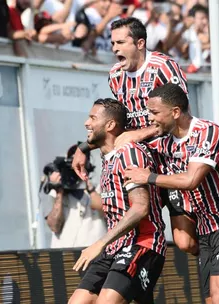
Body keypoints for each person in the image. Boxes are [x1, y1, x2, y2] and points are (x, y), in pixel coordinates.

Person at [72, 17, 199, 261]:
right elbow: (115, 122)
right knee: (133, 237)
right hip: (137, 163)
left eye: (121, 42)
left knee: (185, 242)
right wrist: (83, 147)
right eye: (112, 43)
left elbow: (181, 117)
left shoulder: (164, 67)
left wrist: (140, 134)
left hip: (171, 162)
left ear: (140, 43)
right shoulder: (115, 76)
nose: (114, 49)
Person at [123, 83, 219, 303]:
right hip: (205, 231)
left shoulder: (207, 132)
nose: (150, 118)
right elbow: (124, 141)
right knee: (214, 300)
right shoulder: (163, 143)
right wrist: (83, 150)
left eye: (155, 112)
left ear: (176, 112)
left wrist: (148, 177)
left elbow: (190, 180)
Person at [69, 98, 166, 304]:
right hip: (115, 247)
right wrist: (82, 149)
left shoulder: (129, 153)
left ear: (110, 125)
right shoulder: (108, 156)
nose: (86, 123)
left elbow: (140, 208)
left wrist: (99, 243)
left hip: (142, 243)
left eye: (92, 118)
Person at [44, 144, 107, 248]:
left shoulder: (99, 187)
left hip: (95, 253)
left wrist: (89, 188)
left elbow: (106, 210)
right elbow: (54, 226)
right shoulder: (55, 193)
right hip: (65, 255)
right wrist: (59, 191)